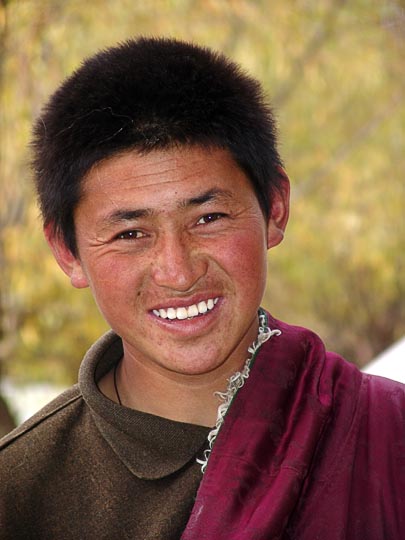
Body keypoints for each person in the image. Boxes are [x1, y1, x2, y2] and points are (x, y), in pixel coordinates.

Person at [0, 37, 404, 540]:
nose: (177, 270)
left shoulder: (387, 433)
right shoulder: (19, 493)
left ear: (274, 210)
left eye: (209, 217)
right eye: (130, 234)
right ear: (67, 251)